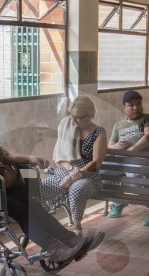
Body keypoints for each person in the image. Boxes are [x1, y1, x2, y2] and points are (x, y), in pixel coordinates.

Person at [0, 92, 104, 266]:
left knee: (34, 204)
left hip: (0, 186)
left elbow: (5, 155)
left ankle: (72, 241)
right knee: (21, 209)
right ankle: (53, 248)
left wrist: (29, 158)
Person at [40, 96, 107, 234]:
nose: (73, 121)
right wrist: (71, 169)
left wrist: (75, 176)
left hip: (89, 177)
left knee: (76, 189)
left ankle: (77, 227)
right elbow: (56, 156)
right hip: (65, 173)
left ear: (90, 115)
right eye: (71, 116)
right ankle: (45, 226)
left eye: (78, 118)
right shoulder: (66, 126)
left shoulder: (98, 132)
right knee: (40, 187)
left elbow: (96, 163)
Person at [107, 90, 149, 226]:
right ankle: (118, 201)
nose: (136, 107)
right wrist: (118, 146)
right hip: (122, 160)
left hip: (144, 160)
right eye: (131, 105)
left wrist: (131, 150)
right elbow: (110, 145)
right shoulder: (118, 125)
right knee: (105, 175)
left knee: (135, 179)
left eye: (138, 104)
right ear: (124, 107)